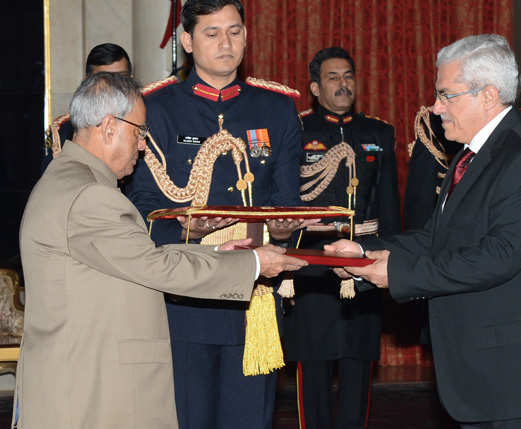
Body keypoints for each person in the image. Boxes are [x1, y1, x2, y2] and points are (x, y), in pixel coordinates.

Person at [14, 72, 306, 428]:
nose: (141, 146)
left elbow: (136, 259)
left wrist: (218, 254)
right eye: (138, 133)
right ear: (109, 128)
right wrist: (253, 263)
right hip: (91, 392)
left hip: (80, 379)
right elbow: (155, 267)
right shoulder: (90, 195)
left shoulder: (69, 179)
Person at [327, 34, 521, 427]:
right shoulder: (474, 154)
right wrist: (366, 253)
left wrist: (396, 273)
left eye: (445, 95)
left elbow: (499, 256)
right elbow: (437, 237)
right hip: (489, 378)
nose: (435, 108)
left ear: (487, 96)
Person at [125, 1, 316, 427]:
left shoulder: (276, 107)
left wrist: (284, 234)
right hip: (184, 295)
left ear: (247, 36)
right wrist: (189, 229)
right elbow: (140, 205)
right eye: (211, 33)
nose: (226, 43)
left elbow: (288, 199)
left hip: (254, 296)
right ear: (187, 41)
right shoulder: (156, 108)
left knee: (250, 419)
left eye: (234, 31)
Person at [283, 47, 401, 428]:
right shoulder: (297, 130)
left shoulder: (378, 133)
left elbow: (389, 209)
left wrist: (392, 262)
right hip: (312, 267)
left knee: (358, 367)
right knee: (313, 369)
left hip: (363, 266)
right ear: (315, 87)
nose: (342, 84)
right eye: (333, 77)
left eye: (348, 75)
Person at [42, 42, 133, 173]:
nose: (115, 86)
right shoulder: (66, 131)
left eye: (121, 78)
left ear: (132, 79)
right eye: (104, 79)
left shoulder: (150, 126)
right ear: (87, 82)